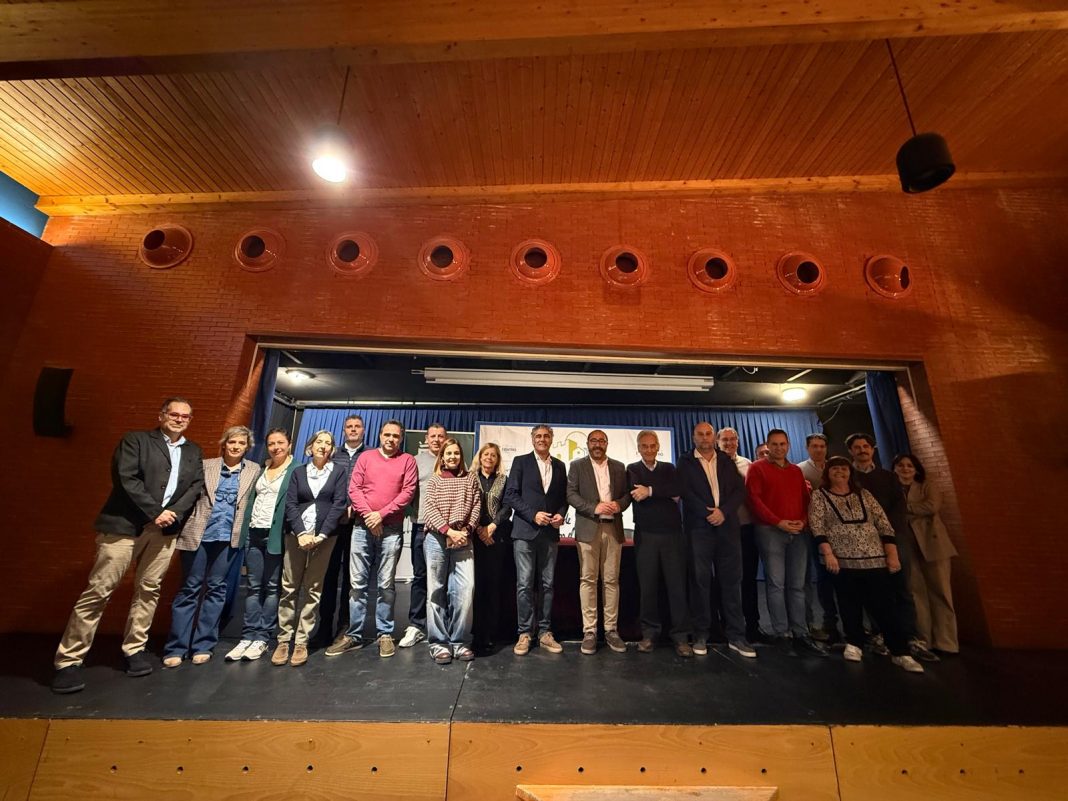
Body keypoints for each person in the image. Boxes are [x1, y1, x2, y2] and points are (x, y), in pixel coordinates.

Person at [52, 397, 205, 694]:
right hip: (124, 527)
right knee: (99, 590)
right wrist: (155, 512)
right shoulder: (136, 440)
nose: (179, 419)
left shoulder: (193, 451)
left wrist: (172, 514)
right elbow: (126, 479)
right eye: (173, 414)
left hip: (164, 532)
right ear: (161, 415)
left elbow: (195, 486)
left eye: (185, 416)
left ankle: (135, 649)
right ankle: (69, 660)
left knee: (149, 589)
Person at [808, 456, 925, 673]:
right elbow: (817, 525)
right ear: (827, 474)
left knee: (885, 606)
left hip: (874, 559)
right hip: (842, 561)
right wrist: (828, 553)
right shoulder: (819, 496)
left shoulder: (865, 495)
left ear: (850, 473)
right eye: (835, 470)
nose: (840, 473)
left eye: (844, 469)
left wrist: (892, 555)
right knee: (848, 603)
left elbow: (884, 524)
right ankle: (855, 643)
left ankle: (900, 651)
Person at [163, 426, 260, 667]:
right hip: (199, 534)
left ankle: (203, 644)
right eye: (232, 442)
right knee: (190, 588)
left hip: (229, 538)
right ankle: (176, 646)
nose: (236, 447)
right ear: (224, 443)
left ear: (247, 447)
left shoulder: (254, 470)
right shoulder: (206, 465)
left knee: (217, 589)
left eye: (241, 443)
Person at [326, 420, 418, 659]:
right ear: (379, 435)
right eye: (387, 434)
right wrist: (369, 516)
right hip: (361, 527)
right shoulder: (366, 458)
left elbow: (407, 492)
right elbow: (354, 489)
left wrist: (381, 515)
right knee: (357, 585)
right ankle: (354, 634)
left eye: (395, 436)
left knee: (386, 585)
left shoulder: (407, 460)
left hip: (391, 529)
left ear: (401, 438)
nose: (391, 439)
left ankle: (384, 633)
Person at [847, 433, 938, 662]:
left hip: (895, 539)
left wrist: (887, 534)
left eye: (866, 446)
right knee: (873, 590)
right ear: (850, 452)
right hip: (864, 542)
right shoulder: (848, 479)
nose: (862, 450)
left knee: (903, 589)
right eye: (857, 447)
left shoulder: (889, 477)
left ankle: (910, 638)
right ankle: (879, 635)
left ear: (873, 450)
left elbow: (899, 508)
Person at [678, 421, 755, 658]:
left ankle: (736, 636)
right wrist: (707, 513)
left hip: (727, 527)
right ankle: (701, 635)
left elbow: (739, 491)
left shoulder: (726, 460)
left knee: (731, 581)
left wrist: (724, 512)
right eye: (699, 434)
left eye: (708, 434)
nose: (704, 438)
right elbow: (685, 492)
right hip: (699, 529)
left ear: (713, 437)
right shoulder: (685, 461)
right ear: (693, 438)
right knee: (700, 582)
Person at [271, 430, 348, 667]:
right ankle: (284, 640)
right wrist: (302, 533)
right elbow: (291, 504)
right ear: (310, 447)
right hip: (296, 536)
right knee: (289, 587)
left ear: (332, 449)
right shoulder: (298, 472)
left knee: (314, 589)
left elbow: (338, 504)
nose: (323, 446)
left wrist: (322, 534)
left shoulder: (338, 472)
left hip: (326, 537)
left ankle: (302, 640)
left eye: (328, 443)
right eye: (319, 442)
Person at [746, 429, 827, 656]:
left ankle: (800, 633)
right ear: (768, 446)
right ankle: (782, 633)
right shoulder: (756, 468)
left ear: (788, 445)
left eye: (782, 444)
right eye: (774, 444)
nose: (779, 448)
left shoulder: (795, 471)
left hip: (798, 532)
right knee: (776, 584)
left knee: (797, 585)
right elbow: (754, 500)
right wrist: (778, 522)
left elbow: (805, 499)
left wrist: (802, 521)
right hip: (770, 531)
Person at [227, 427, 299, 662]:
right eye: (271, 443)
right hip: (253, 532)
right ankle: (247, 636)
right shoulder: (260, 469)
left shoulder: (296, 469)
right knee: (253, 586)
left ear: (289, 444)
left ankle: (263, 637)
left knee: (271, 587)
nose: (276, 447)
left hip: (276, 534)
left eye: (280, 442)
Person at [503, 424, 568, 655]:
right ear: (532, 440)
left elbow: (563, 498)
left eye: (546, 436)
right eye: (538, 436)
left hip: (550, 534)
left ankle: (544, 632)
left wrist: (562, 513)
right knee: (524, 585)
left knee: (548, 584)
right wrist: (533, 515)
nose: (542, 439)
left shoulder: (560, 466)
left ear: (551, 439)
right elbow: (510, 494)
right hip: (524, 533)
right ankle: (524, 633)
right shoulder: (521, 462)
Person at [566, 430, 632, 655]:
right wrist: (593, 508)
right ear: (587, 443)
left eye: (601, 441)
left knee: (611, 580)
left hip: (613, 528)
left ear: (607, 443)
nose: (597, 444)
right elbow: (571, 495)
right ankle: (590, 631)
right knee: (588, 580)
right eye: (593, 441)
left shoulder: (619, 466)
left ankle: (611, 630)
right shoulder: (577, 466)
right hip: (587, 528)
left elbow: (626, 496)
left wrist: (618, 505)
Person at [627, 431, 692, 657]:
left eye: (652, 446)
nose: (648, 450)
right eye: (644, 446)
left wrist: (651, 490)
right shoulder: (632, 469)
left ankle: (681, 637)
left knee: (677, 586)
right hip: (646, 534)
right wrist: (662, 493)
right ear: (638, 448)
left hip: (673, 534)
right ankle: (649, 634)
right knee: (648, 587)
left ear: (658, 447)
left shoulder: (670, 469)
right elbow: (637, 493)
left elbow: (678, 491)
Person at [893, 453, 959, 654]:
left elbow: (932, 506)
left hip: (933, 544)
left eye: (909, 466)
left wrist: (904, 509)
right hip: (907, 543)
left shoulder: (927, 485)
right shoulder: (893, 488)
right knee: (916, 592)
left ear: (916, 469)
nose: (905, 469)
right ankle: (924, 639)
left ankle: (947, 641)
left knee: (941, 591)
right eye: (901, 466)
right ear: (894, 468)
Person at [422, 438, 481, 663]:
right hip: (437, 538)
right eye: (448, 453)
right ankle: (438, 643)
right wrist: (448, 531)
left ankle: (460, 641)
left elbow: (476, 505)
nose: (453, 457)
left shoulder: (470, 479)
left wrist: (465, 530)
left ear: (461, 456)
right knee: (436, 590)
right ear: (442, 457)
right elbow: (430, 509)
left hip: (464, 538)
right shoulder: (435, 480)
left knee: (465, 589)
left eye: (456, 453)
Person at [315, 414, 366, 647]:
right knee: (328, 575)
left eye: (357, 426)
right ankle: (323, 626)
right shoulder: (332, 454)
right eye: (349, 427)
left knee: (352, 579)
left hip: (358, 524)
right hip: (332, 524)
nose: (353, 430)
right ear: (344, 430)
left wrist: (356, 507)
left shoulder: (370, 456)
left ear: (364, 430)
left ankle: (345, 627)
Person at [399, 423, 448, 649]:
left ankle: (442, 624)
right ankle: (416, 625)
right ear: (426, 439)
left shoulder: (452, 460)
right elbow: (405, 491)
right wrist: (412, 514)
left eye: (440, 436)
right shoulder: (415, 461)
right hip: (421, 527)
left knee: (444, 579)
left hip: (447, 530)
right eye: (433, 436)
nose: (436, 440)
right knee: (420, 577)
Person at [717, 426, 762, 642]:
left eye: (732, 440)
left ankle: (752, 626)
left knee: (748, 579)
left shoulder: (749, 466)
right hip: (720, 530)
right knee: (724, 580)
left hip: (745, 528)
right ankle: (725, 625)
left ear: (738, 442)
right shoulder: (709, 464)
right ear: (718, 442)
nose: (729, 443)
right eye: (724, 440)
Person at [798, 433, 840, 644]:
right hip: (811, 531)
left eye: (822, 446)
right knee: (815, 578)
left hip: (838, 533)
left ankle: (846, 624)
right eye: (814, 446)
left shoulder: (837, 469)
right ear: (807, 448)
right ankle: (819, 623)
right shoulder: (799, 470)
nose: (819, 449)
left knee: (841, 579)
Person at [471, 443, 513, 653]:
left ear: (497, 460)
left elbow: (507, 507)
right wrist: (480, 529)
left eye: (493, 455)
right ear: (480, 457)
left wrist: (492, 527)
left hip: (497, 538)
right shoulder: (470, 478)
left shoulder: (504, 480)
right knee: (477, 587)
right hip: (474, 537)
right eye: (486, 454)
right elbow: (466, 504)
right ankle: (476, 632)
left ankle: (491, 633)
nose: (489, 458)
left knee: (494, 586)